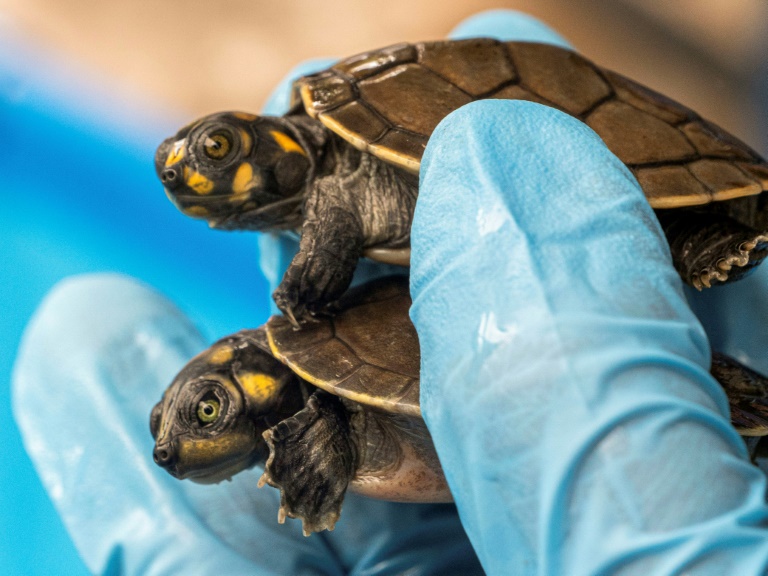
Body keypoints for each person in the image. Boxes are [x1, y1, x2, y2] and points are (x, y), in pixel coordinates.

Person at [13, 10, 768, 575]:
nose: (190, 168)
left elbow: (336, 223)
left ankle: (708, 231)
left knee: (594, 230)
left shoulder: (340, 189)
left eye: (215, 147)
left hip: (588, 163)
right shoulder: (323, 339)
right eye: (179, 165)